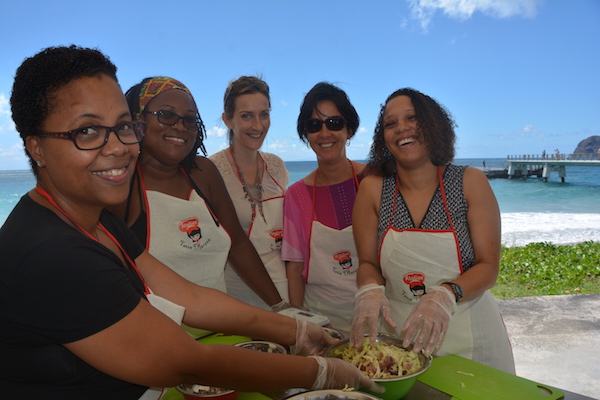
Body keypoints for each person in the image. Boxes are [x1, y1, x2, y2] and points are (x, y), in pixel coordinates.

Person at [0, 45, 382, 399]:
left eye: (121, 126)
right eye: (87, 131)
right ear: (36, 147)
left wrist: (292, 325)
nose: (117, 146)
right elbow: (182, 360)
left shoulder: (92, 220)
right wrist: (317, 373)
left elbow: (189, 297)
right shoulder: (49, 254)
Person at [350, 88, 515, 374]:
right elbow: (367, 263)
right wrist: (370, 289)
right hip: (401, 337)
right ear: (383, 137)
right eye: (390, 123)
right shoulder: (373, 189)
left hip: (470, 332)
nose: (401, 128)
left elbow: (488, 266)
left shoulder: (469, 182)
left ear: (433, 125)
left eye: (412, 118)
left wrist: (444, 295)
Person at [111, 76, 289, 325]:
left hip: (221, 330)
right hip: (159, 340)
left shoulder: (202, 173)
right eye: (166, 115)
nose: (180, 126)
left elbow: (237, 244)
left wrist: (280, 306)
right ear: (138, 120)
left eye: (190, 119)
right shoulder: (121, 187)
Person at [282, 82, 366, 332]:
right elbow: (295, 268)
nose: (325, 133)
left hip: (375, 313)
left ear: (349, 129)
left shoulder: (374, 180)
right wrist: (299, 325)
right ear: (306, 135)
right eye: (314, 125)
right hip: (321, 319)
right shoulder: (296, 195)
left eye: (334, 123)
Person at [209, 76, 289, 310]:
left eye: (264, 114)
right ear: (228, 120)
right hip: (238, 297)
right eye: (246, 116)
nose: (258, 125)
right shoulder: (213, 171)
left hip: (283, 292)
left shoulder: (277, 166)